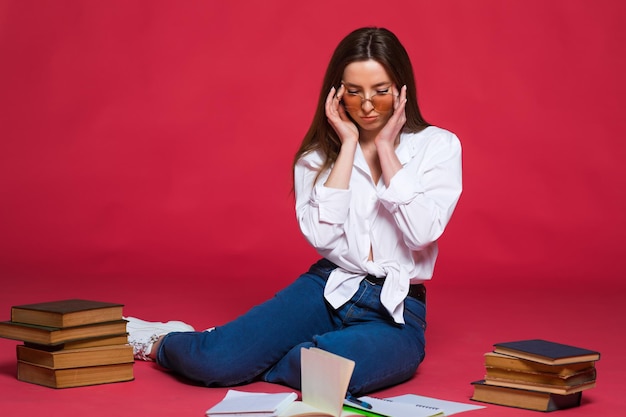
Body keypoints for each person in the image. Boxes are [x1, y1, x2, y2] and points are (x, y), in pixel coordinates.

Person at [127, 26, 462, 396]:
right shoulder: (317, 158)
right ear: (337, 93)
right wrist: (349, 145)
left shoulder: (438, 146)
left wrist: (385, 148)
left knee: (326, 374)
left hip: (396, 310)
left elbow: (422, 232)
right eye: (354, 91)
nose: (368, 104)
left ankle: (256, 350)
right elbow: (321, 237)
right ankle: (165, 341)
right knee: (215, 362)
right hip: (328, 287)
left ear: (401, 90)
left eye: (381, 91)